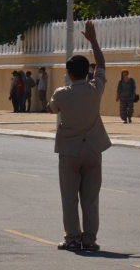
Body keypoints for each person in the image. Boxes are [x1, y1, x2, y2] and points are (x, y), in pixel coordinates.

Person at [47, 20, 111, 252]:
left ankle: (72, 237)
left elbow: (51, 109)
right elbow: (102, 64)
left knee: (69, 197)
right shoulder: (96, 89)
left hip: (69, 151)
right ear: (88, 72)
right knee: (91, 198)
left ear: (69, 74)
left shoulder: (61, 94)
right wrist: (93, 41)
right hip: (93, 148)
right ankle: (89, 239)